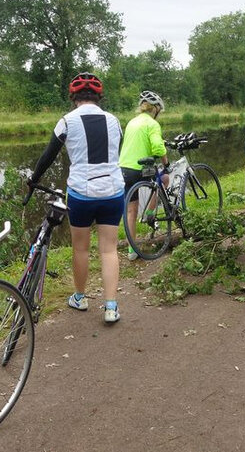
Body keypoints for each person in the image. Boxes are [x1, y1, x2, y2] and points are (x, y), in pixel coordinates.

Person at [27, 73, 124, 324]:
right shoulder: (114, 120)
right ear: (99, 97)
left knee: (81, 248)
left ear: (74, 98)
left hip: (82, 192)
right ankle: (111, 307)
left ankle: (80, 298)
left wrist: (33, 179)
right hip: (113, 190)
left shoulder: (67, 121)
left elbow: (47, 156)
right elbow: (116, 151)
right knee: (109, 248)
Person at [119, 90, 169, 262]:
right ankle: (149, 213)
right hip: (141, 168)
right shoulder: (152, 124)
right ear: (155, 109)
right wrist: (166, 164)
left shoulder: (132, 122)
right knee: (164, 178)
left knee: (131, 209)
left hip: (124, 168)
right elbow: (158, 148)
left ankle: (132, 250)